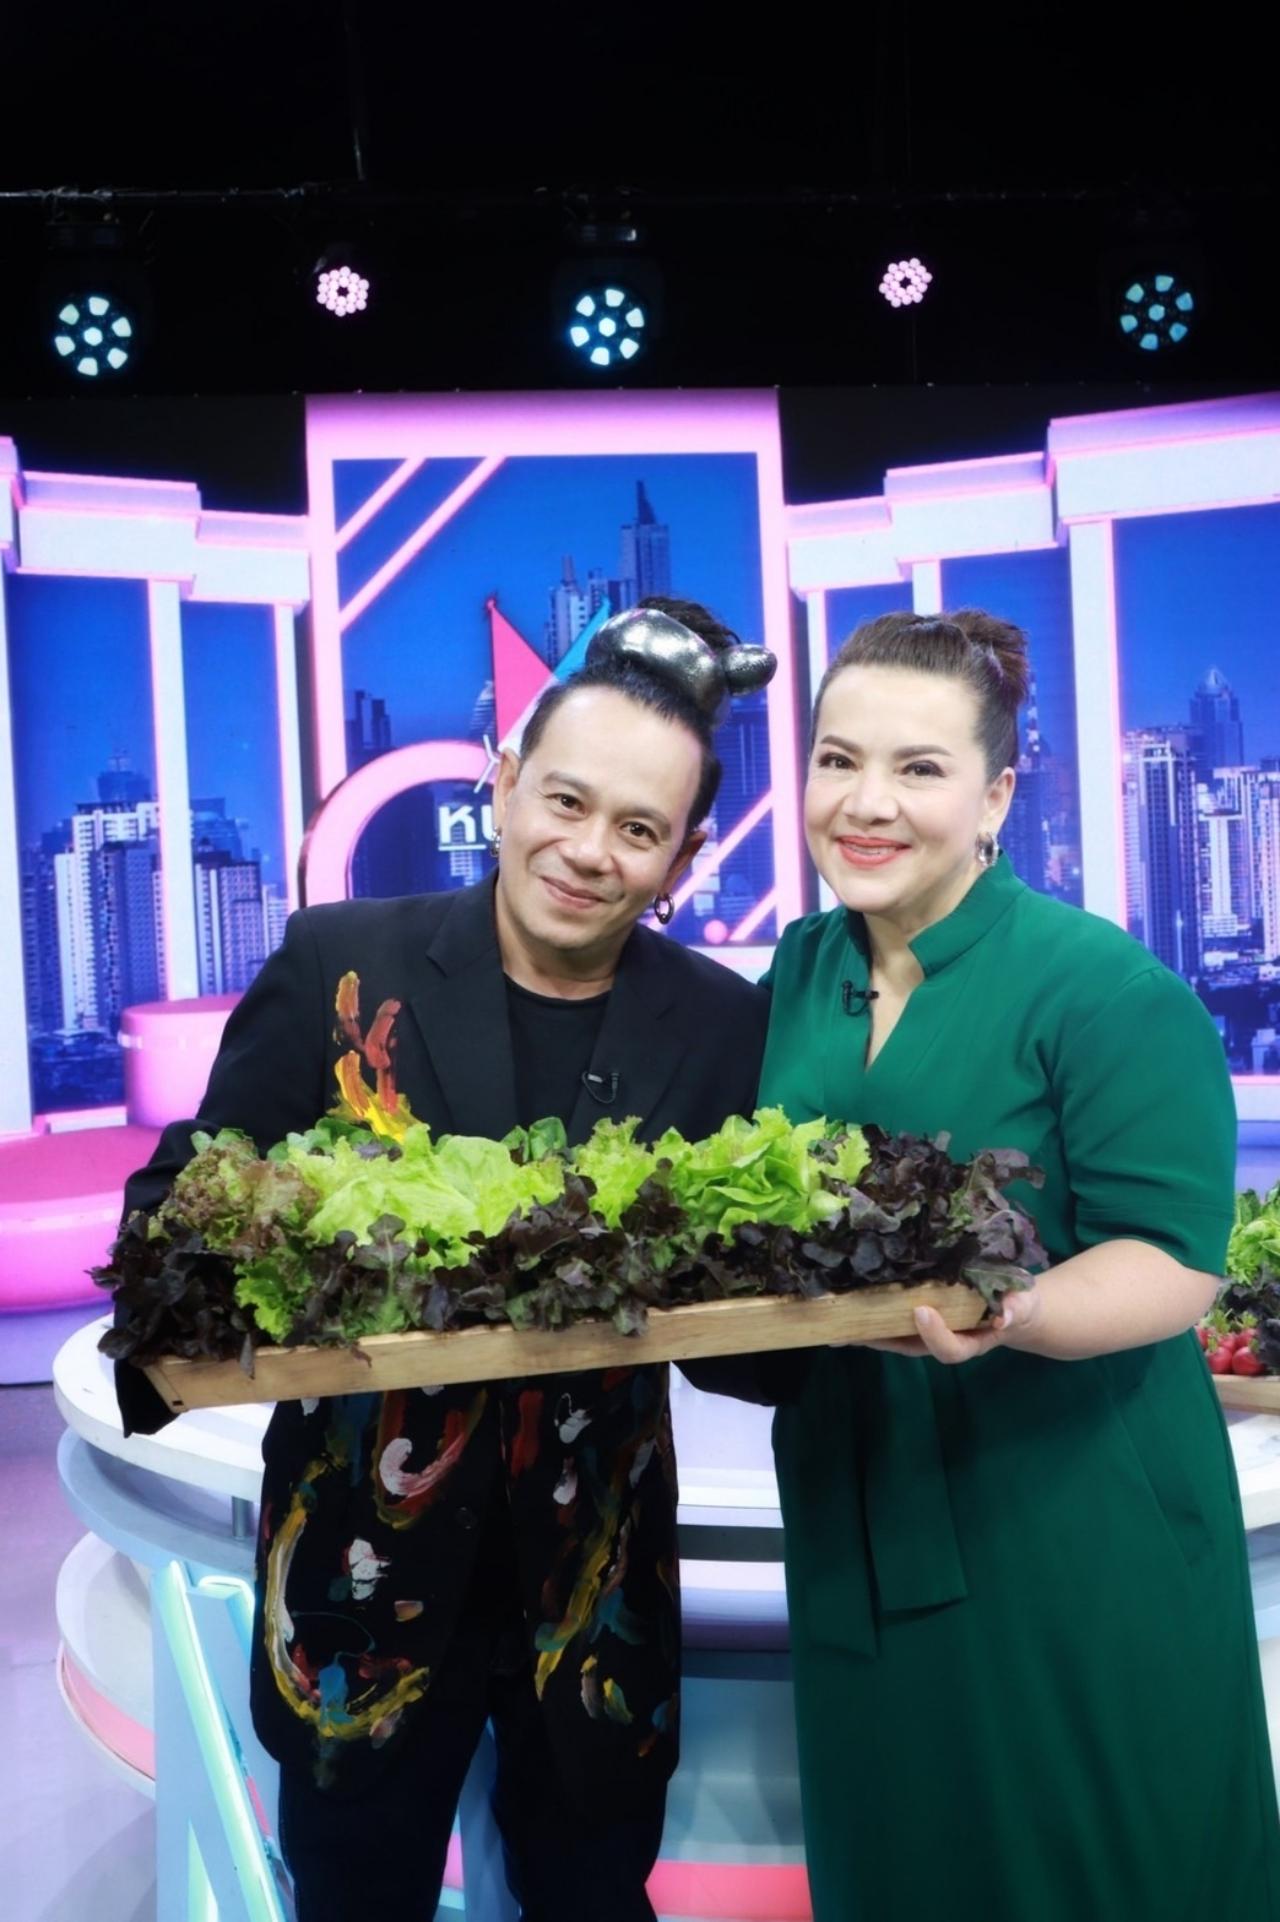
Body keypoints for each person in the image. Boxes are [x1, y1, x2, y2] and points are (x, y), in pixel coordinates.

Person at [113, 598, 774, 1922]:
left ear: (685, 855)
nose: (588, 851)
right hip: (356, 1584)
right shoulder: (343, 963)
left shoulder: (717, 1023)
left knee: (595, 1899)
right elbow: (178, 1201)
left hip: (595, 1594)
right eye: (566, 800)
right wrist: (230, 1277)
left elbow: (742, 1319)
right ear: (505, 779)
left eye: (638, 828)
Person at [755, 608, 1280, 1920]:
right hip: (856, 1503)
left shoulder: (1104, 988)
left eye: (919, 769)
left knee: (1093, 1872)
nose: (866, 802)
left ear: (995, 795)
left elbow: (1175, 1260)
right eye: (837, 760)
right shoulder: (800, 969)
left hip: (1067, 1521)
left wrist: (1020, 1309)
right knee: (898, 1868)